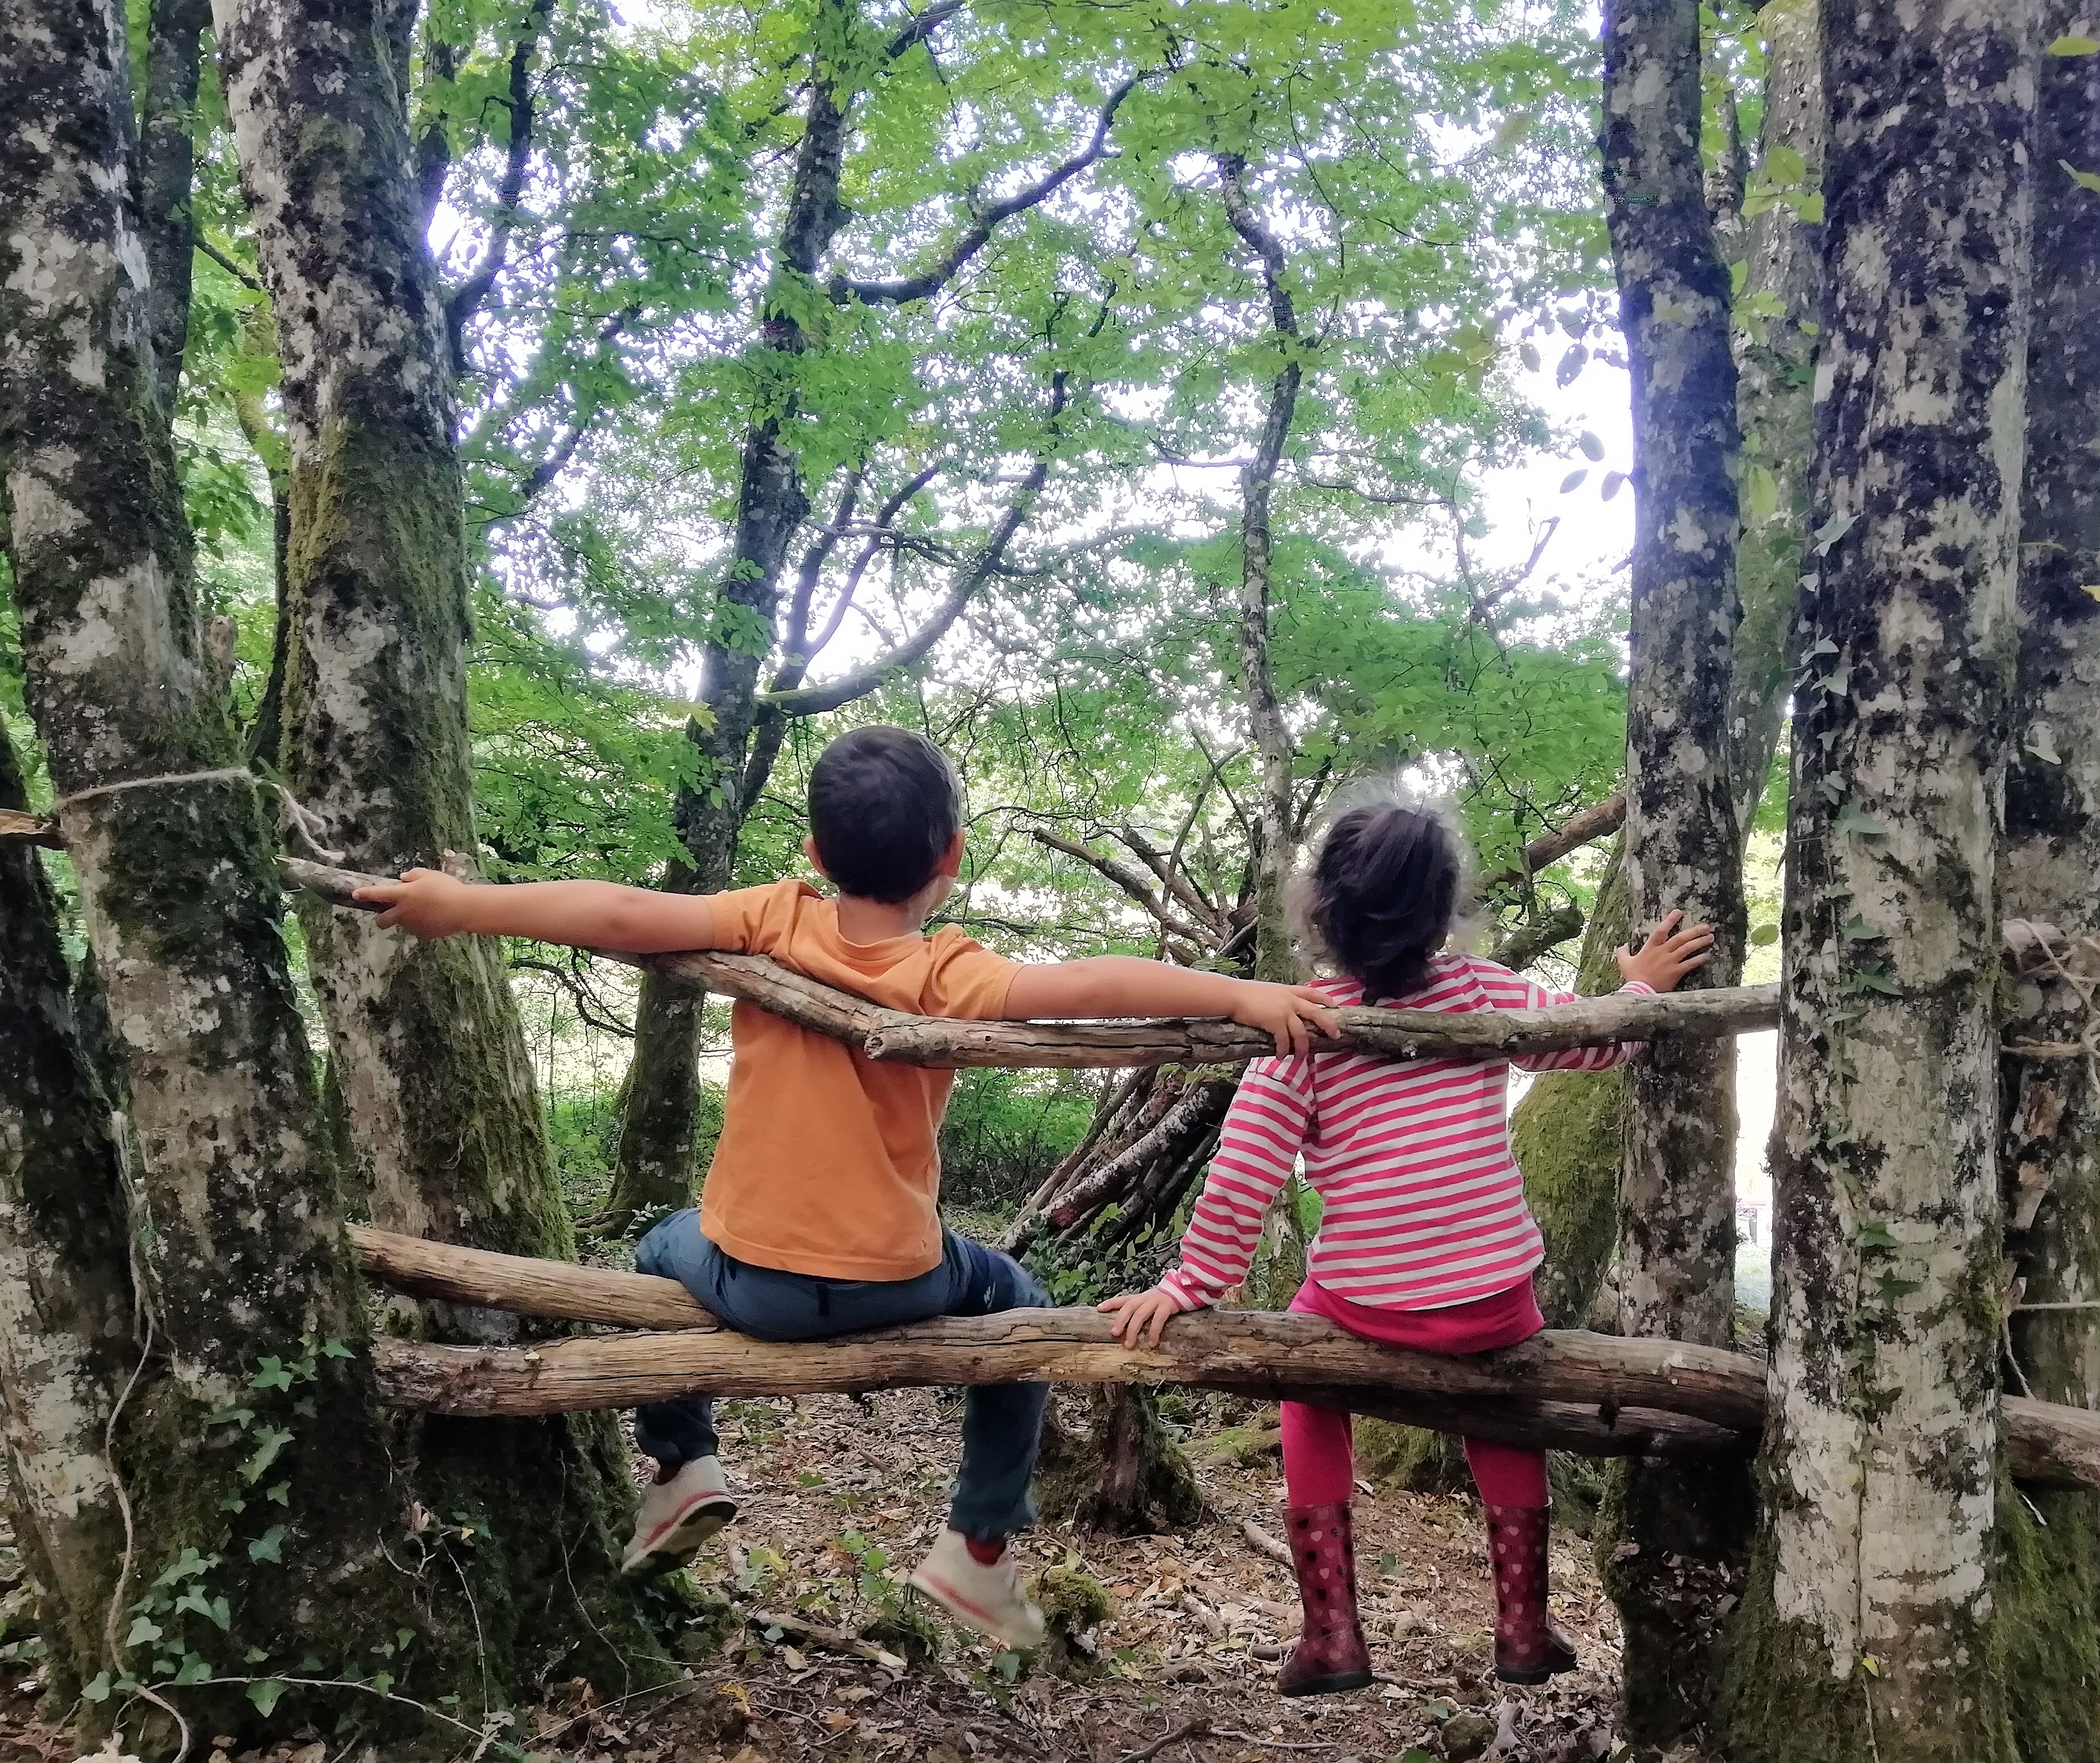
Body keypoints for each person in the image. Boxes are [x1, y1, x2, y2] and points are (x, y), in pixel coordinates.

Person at [355, 725, 1336, 1649]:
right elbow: (1095, 984)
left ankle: (685, 1462)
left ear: (817, 853)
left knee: (662, 1239)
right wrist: (1241, 992)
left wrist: (459, 905)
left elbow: (617, 913)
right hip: (899, 1280)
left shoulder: (771, 918)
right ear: (952, 855)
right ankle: (977, 1546)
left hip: (748, 1280)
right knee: (1018, 1295)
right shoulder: (947, 970)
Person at [1101, 797, 1713, 1696]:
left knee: (1307, 1385)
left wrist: (1192, 1281)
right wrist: (1640, 990)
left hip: (1368, 1303)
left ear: (1323, 911)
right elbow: (1592, 1042)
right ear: (1443, 912)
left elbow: (1245, 1169)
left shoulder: (1303, 1026)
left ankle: (1332, 1633)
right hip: (1495, 1302)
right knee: (1506, 1410)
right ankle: (1522, 1629)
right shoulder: (1483, 991)